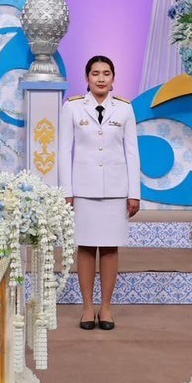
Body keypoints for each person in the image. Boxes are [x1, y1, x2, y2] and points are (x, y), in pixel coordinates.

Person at [59, 55, 140, 331]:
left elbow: (132, 152)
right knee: (84, 246)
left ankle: (106, 307)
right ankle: (87, 307)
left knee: (109, 247)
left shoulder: (125, 109)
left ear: (113, 78)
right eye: (95, 73)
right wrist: (67, 191)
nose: (101, 78)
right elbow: (64, 151)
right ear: (87, 78)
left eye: (106, 73)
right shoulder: (72, 107)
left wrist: (134, 192)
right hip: (83, 188)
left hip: (116, 189)